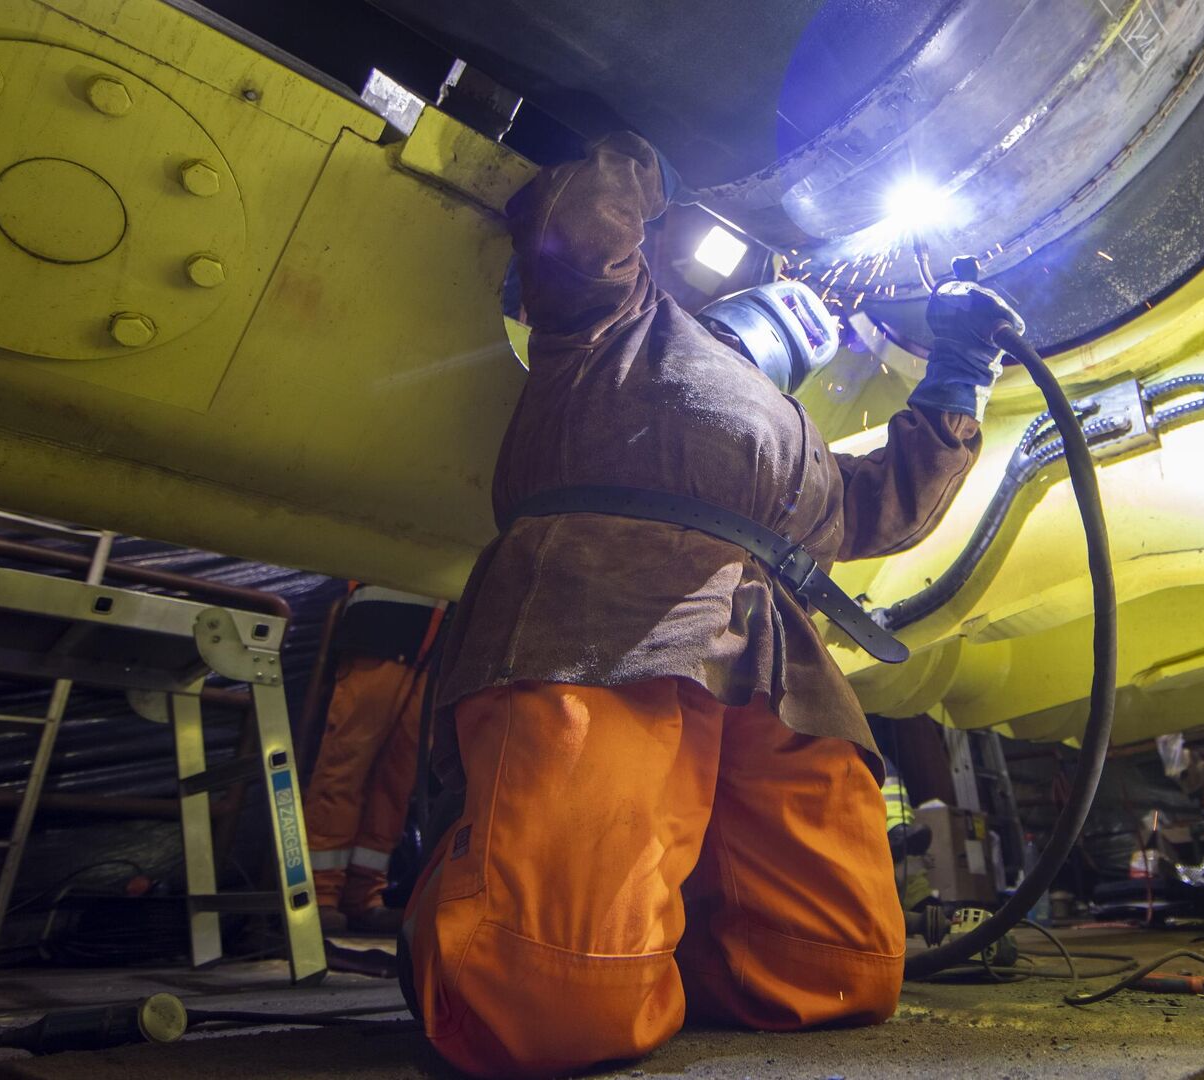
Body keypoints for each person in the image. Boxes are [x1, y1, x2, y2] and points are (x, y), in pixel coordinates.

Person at [401, 132, 996, 1078]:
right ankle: (549, 943)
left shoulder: (798, 451)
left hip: (779, 667)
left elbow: (891, 505)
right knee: (548, 999)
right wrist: (680, 168)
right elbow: (574, 216)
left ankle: (664, 956)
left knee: (841, 974)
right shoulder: (615, 323)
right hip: (605, 620)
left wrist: (962, 371)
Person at [300, 585, 446, 935]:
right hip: (384, 625)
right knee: (346, 766)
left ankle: (364, 895)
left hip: (439, 643)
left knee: (397, 781)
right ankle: (317, 894)